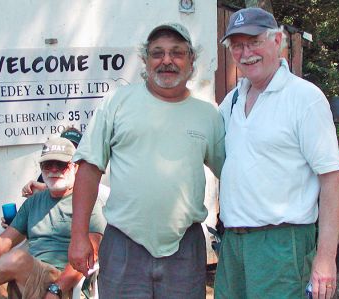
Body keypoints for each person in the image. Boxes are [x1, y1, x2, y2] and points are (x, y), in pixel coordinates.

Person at [68, 23, 226, 298]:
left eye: (177, 52)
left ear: (191, 60)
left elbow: (230, 172)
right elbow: (89, 169)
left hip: (185, 249)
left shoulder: (208, 115)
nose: (167, 60)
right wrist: (78, 236)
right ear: (145, 60)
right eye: (157, 53)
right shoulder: (116, 102)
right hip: (123, 244)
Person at [215, 7, 339, 299]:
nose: (246, 53)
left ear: (277, 41)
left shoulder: (305, 98)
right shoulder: (233, 99)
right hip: (234, 243)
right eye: (237, 45)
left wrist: (325, 258)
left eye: (254, 41)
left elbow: (331, 182)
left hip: (282, 244)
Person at [0, 137, 106, 299]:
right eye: (47, 165)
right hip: (25, 280)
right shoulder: (33, 202)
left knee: (16, 258)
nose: (54, 170)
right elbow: (1, 244)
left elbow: (89, 256)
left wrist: (56, 289)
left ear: (75, 167)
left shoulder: (88, 202)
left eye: (61, 165)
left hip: (60, 283)